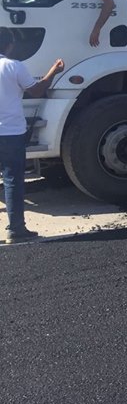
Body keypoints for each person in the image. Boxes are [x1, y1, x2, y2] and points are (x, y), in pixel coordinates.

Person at [0, 27, 64, 244]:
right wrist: (53, 71)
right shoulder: (13, 66)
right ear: (10, 45)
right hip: (11, 133)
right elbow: (37, 90)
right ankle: (16, 229)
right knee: (12, 180)